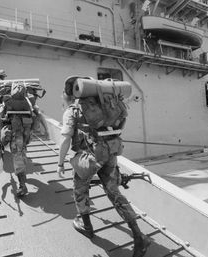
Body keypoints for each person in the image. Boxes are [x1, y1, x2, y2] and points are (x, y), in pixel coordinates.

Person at [57, 76, 151, 257]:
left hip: (89, 157)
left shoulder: (73, 110)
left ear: (68, 93)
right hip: (110, 152)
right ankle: (139, 236)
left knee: (80, 188)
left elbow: (66, 138)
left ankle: (87, 225)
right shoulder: (105, 105)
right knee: (114, 192)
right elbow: (121, 123)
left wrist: (60, 163)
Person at [0, 81, 42, 197]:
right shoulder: (28, 102)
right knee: (21, 152)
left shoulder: (7, 101)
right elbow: (37, 117)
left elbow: (0, 116)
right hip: (26, 134)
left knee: (17, 157)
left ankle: (22, 186)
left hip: (15, 134)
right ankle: (23, 175)